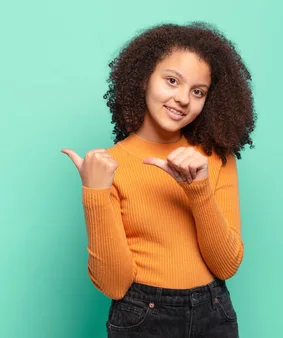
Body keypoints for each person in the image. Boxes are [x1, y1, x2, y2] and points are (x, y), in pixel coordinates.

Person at [62, 21, 256, 338]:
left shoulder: (216, 157)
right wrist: (95, 193)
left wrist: (199, 190)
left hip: (213, 312)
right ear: (143, 79)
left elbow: (226, 266)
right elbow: (114, 284)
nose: (182, 99)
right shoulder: (111, 166)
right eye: (171, 81)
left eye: (197, 91)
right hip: (142, 316)